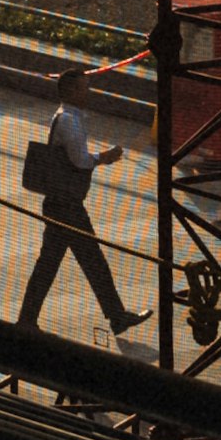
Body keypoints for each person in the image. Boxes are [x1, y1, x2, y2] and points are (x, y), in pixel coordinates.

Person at [16, 88, 139, 345]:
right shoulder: (69, 120)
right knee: (83, 259)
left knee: (69, 260)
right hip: (66, 205)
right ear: (72, 92)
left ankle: (115, 315)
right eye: (83, 87)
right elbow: (80, 161)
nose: (87, 92)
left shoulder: (68, 116)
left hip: (61, 203)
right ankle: (115, 315)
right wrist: (103, 157)